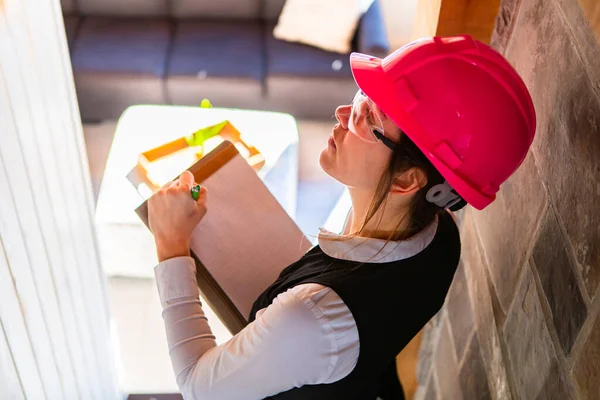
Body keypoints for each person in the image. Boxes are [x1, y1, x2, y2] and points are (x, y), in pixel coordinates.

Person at [147, 35, 536, 400]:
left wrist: (170, 246)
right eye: (362, 96)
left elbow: (199, 386)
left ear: (406, 179)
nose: (342, 112)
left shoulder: (311, 319)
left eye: (369, 116)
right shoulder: (439, 235)